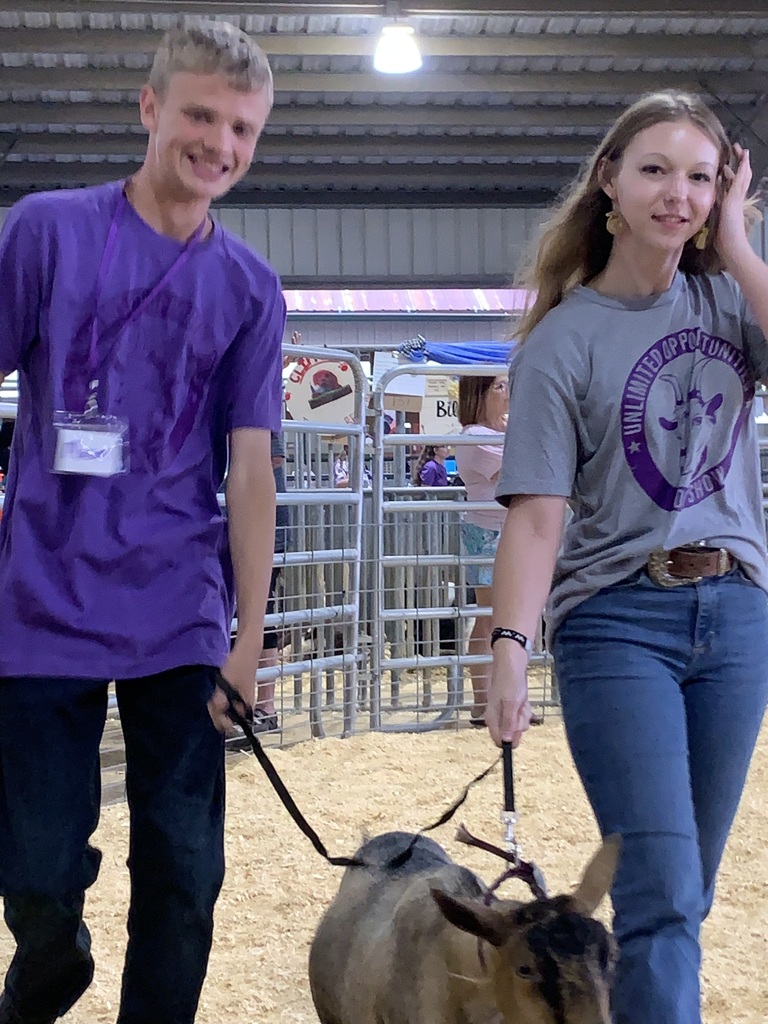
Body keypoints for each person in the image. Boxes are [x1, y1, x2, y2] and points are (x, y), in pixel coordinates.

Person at [0, 20, 284, 1024]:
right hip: (40, 598)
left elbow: (250, 468)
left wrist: (249, 639)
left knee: (184, 869)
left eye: (243, 128)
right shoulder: (45, 230)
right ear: (151, 107)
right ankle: (50, 950)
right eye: (202, 114)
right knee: (32, 863)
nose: (220, 144)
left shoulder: (249, 288)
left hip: (179, 608)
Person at [488, 90, 768, 1024]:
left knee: (686, 894)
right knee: (657, 896)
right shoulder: (561, 343)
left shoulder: (732, 298)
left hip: (737, 617)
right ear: (609, 179)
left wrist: (736, 244)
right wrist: (508, 650)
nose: (676, 194)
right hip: (618, 621)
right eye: (654, 169)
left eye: (700, 177)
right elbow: (535, 519)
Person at [454, 375, 509, 725]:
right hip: (487, 529)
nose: (508, 392)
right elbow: (511, 472)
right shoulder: (474, 436)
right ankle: (483, 700)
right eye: (500, 387)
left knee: (504, 617)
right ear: (481, 393)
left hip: (505, 527)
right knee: (490, 616)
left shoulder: (502, 433)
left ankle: (499, 698)